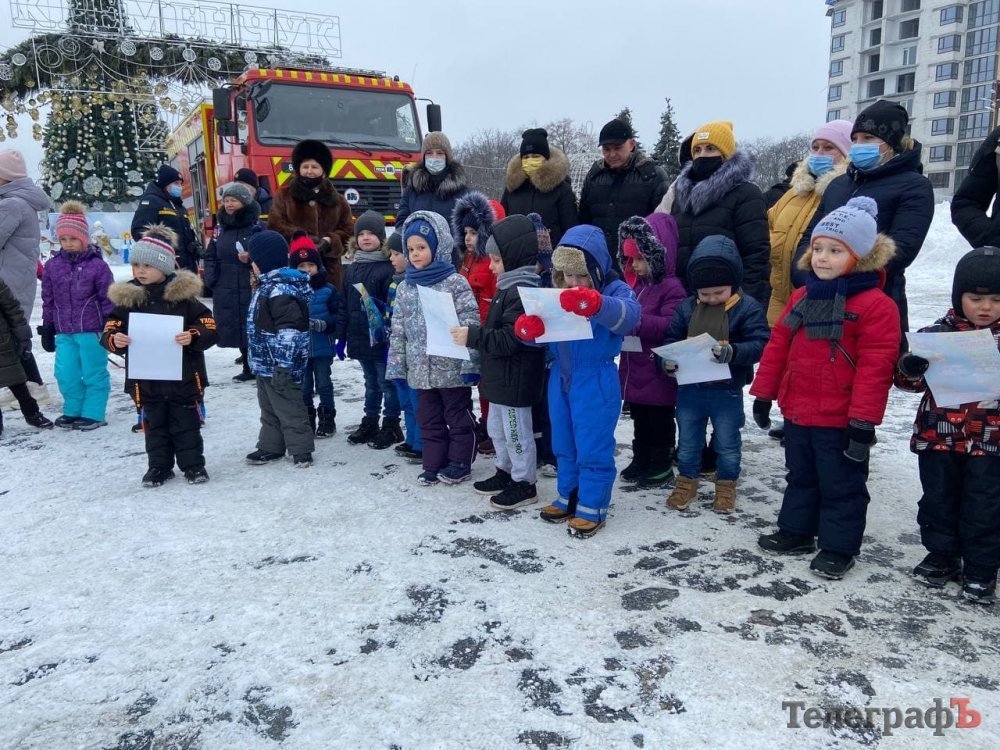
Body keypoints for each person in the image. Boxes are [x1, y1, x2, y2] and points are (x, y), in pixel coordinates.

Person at [752, 197, 901, 580]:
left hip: (840, 417)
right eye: (818, 248)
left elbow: (876, 367)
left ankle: (838, 547)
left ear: (861, 256)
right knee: (800, 475)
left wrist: (863, 421)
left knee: (842, 484)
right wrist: (764, 393)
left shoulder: (876, 306)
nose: (822, 257)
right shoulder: (803, 296)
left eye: (836, 250)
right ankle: (797, 531)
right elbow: (778, 346)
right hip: (799, 410)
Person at [514, 224, 640, 537]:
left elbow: (631, 316)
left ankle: (592, 505)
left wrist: (597, 304)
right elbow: (545, 335)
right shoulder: (556, 293)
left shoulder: (614, 290)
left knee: (592, 444)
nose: (573, 282)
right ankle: (568, 494)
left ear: (596, 270)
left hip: (595, 377)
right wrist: (530, 332)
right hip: (561, 376)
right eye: (568, 275)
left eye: (581, 275)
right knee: (563, 442)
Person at [895, 247, 1000, 604]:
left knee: (985, 506)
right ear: (959, 297)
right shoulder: (936, 335)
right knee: (938, 500)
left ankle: (981, 569)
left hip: (991, 442)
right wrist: (910, 368)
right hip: (938, 438)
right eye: (976, 299)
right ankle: (942, 555)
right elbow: (907, 383)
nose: (985, 307)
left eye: (996, 300)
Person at [794, 100, 934, 334]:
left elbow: (901, 249)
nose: (859, 145)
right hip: (820, 297)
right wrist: (804, 273)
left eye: (868, 138)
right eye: (855, 139)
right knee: (817, 354)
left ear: (891, 143)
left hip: (876, 302)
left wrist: (840, 275)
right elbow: (810, 237)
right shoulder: (838, 184)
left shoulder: (914, 186)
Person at [659, 235, 769, 514]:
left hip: (726, 390)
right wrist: (667, 362)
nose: (710, 299)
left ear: (734, 283)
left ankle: (726, 485)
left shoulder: (747, 308)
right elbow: (671, 339)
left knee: (728, 442)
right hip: (690, 390)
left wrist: (734, 352)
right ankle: (686, 482)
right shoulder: (687, 308)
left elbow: (760, 342)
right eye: (704, 294)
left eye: (718, 293)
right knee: (688, 441)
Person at [101, 226, 217, 486]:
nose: (140, 271)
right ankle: (159, 467)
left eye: (147, 265)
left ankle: (193, 466)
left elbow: (209, 325)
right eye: (136, 265)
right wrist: (115, 339)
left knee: (186, 425)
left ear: (164, 267)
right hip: (147, 381)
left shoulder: (184, 299)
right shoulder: (128, 301)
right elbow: (110, 328)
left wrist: (193, 335)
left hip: (183, 378)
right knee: (154, 427)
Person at [452, 215, 547, 509]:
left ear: (513, 258)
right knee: (497, 429)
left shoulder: (522, 292)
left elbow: (510, 339)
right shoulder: (507, 288)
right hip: (501, 380)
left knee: (517, 434)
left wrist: (474, 336)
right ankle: (505, 471)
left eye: (495, 260)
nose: (491, 267)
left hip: (515, 381)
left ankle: (524, 482)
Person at [386, 211, 480, 486]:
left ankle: (460, 461)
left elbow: (470, 323)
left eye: (422, 247)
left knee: (457, 417)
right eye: (411, 249)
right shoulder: (405, 288)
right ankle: (433, 463)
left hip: (451, 369)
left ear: (438, 247)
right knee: (428, 419)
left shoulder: (455, 282)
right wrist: (398, 367)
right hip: (420, 371)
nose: (415, 254)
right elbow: (398, 331)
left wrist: (471, 364)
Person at [617, 213, 686, 486]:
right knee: (640, 418)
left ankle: (661, 463)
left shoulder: (671, 287)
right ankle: (641, 458)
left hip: (657, 370)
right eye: (630, 259)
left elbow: (671, 324)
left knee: (659, 420)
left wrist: (636, 321)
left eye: (639, 259)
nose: (634, 265)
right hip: (636, 368)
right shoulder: (638, 286)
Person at [669, 121, 770, 307]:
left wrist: (746, 306)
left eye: (710, 148)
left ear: (725, 154)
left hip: (727, 301)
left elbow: (756, 256)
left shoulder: (746, 194)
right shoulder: (682, 197)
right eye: (697, 150)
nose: (702, 155)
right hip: (685, 301)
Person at [767, 120, 853, 326]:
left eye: (828, 148)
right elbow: (767, 230)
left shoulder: (849, 193)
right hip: (778, 302)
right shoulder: (792, 194)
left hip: (818, 301)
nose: (819, 153)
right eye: (815, 147)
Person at [38, 201, 114, 430]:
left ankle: (93, 412)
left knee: (93, 372)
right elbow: (48, 299)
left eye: (73, 238)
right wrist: (48, 326)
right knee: (65, 373)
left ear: (84, 238)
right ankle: (73, 409)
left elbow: (108, 298)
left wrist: (112, 325)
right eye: (63, 239)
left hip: (92, 330)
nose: (68, 243)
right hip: (64, 331)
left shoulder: (98, 266)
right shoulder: (52, 266)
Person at [242, 230, 315, 467]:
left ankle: (301, 449)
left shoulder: (280, 291)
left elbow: (289, 333)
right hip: (265, 363)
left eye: (253, 261)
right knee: (269, 408)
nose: (251, 265)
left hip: (281, 365)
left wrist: (283, 365)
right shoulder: (266, 286)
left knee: (289, 407)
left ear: (262, 262)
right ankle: (270, 445)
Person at [338, 210, 401, 449]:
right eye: (361, 233)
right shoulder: (351, 269)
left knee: (387, 383)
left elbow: (392, 307)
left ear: (381, 238)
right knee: (370, 382)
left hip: (381, 341)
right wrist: (341, 337)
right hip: (359, 337)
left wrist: (389, 338)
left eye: (371, 233)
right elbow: (344, 304)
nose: (366, 237)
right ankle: (370, 420)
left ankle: (391, 424)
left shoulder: (387, 268)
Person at [451, 191, 503, 456]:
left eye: (474, 232)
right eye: (466, 232)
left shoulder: (492, 263)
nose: (468, 238)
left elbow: (496, 299)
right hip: (470, 330)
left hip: (486, 330)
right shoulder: (467, 259)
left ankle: (494, 430)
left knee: (489, 385)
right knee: (480, 383)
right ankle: (486, 423)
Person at [578, 119, 669, 270]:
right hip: (600, 262)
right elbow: (584, 221)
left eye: (617, 148)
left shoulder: (652, 176)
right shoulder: (594, 177)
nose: (612, 154)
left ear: (631, 144)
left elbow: (662, 227)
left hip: (636, 265)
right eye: (606, 149)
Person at [0, 148, 52, 406]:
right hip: (16, 277)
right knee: (12, 334)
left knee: (11, 335)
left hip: (7, 282)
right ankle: (25, 386)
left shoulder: (11, 204)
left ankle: (34, 387)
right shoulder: (19, 201)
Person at [266, 139, 354, 291]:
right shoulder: (284, 195)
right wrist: (302, 238)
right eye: (305, 167)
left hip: (330, 272)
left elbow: (349, 231)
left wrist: (330, 241)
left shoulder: (338, 201)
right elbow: (275, 225)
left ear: (324, 171)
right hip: (294, 269)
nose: (309, 171)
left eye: (314, 167)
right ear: (298, 169)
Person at [203, 181, 261, 382]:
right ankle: (246, 364)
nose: (228, 204)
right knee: (234, 325)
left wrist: (251, 257)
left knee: (251, 323)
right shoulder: (220, 229)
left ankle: (256, 364)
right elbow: (210, 255)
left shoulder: (256, 227)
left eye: (233, 200)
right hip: (225, 283)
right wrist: (211, 278)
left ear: (244, 202)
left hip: (249, 282)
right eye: (226, 200)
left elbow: (267, 254)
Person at [289, 233, 340, 439]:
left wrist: (325, 324)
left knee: (324, 383)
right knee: (304, 387)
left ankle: (327, 418)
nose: (307, 269)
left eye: (311, 265)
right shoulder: (290, 291)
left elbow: (337, 316)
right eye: (301, 266)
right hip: (299, 349)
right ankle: (307, 419)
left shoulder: (328, 290)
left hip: (322, 346)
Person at [500, 128, 578, 246]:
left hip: (552, 254)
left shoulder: (562, 189)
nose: (530, 160)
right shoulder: (512, 189)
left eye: (535, 156)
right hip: (516, 254)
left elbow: (571, 229)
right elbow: (502, 225)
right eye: (526, 157)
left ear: (546, 158)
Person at [395, 133, 470, 251]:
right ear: (424, 157)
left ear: (447, 157)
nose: (434, 157)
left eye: (439, 153)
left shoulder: (462, 192)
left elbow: (469, 229)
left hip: (451, 257)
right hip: (417, 257)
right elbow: (402, 223)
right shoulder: (412, 190)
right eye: (429, 153)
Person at [0, 276, 54, 435]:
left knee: (16, 380)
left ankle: (32, 413)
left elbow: (12, 308)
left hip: (2, 340)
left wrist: (22, 336)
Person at [386, 232, 422, 463]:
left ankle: (421, 443)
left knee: (418, 401)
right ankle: (411, 439)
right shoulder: (394, 283)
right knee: (406, 400)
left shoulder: (416, 284)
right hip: (396, 348)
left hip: (414, 352)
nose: (392, 258)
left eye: (397, 253)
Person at [131, 164, 201, 273]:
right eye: (176, 183)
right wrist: (163, 246)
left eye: (180, 183)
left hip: (186, 265)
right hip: (165, 265)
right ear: (165, 184)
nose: (179, 187)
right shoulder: (151, 201)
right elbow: (139, 231)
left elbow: (183, 232)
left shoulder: (178, 205)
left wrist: (193, 246)